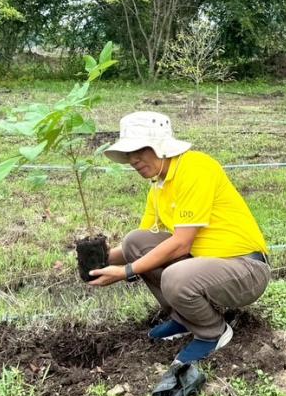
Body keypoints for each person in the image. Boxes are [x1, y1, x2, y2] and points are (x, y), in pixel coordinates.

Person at [86, 111, 271, 363]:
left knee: (175, 277)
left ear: (161, 146)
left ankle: (212, 332)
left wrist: (126, 272)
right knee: (134, 242)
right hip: (205, 264)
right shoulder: (158, 185)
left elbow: (181, 243)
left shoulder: (196, 167)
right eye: (129, 153)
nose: (133, 159)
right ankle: (184, 318)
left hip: (245, 269)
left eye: (140, 149)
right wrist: (98, 260)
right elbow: (140, 247)